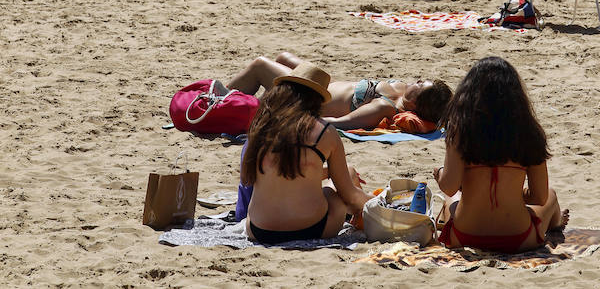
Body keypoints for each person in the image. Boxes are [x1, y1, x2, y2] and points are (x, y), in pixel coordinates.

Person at [433, 56, 568, 253]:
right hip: (519, 238)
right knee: (551, 196)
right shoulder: (528, 133)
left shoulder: (460, 132)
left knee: (450, 202)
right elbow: (539, 197)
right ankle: (556, 223)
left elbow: (450, 187)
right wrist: (514, 193)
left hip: (464, 236)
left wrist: (440, 173)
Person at [241, 61, 372, 243]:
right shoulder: (325, 132)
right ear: (317, 100)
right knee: (335, 196)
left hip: (259, 229)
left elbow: (278, 172)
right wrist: (378, 202)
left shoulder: (261, 125)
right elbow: (350, 196)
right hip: (312, 229)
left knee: (346, 173)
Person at [227, 51, 452, 131]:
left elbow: (343, 122)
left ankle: (217, 100)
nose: (419, 80)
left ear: (415, 103)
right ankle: (237, 99)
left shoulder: (385, 107)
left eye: (421, 85)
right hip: (319, 83)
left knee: (259, 65)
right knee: (282, 58)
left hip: (307, 96)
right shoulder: (402, 89)